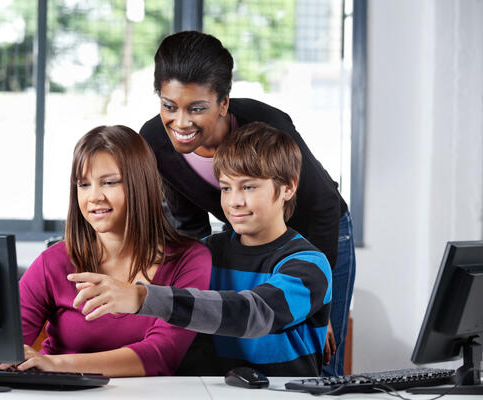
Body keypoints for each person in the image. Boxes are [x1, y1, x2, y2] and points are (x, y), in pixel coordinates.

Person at [138, 30, 355, 376]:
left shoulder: (267, 125)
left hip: (320, 231)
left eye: (197, 108)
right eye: (169, 106)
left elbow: (323, 208)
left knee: (317, 349)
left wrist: (320, 313)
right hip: (242, 230)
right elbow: (189, 225)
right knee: (239, 344)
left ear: (223, 103)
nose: (180, 122)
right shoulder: (154, 141)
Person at [69, 122, 332, 377]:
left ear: (288, 187)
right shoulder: (203, 254)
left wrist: (140, 297)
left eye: (249, 187)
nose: (234, 202)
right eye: (226, 188)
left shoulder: (309, 265)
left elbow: (254, 314)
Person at [13, 125, 211, 377]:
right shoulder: (52, 262)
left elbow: (162, 355)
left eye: (108, 182)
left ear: (141, 185)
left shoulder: (190, 260)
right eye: (83, 185)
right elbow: (7, 346)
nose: (93, 197)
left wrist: (57, 365)